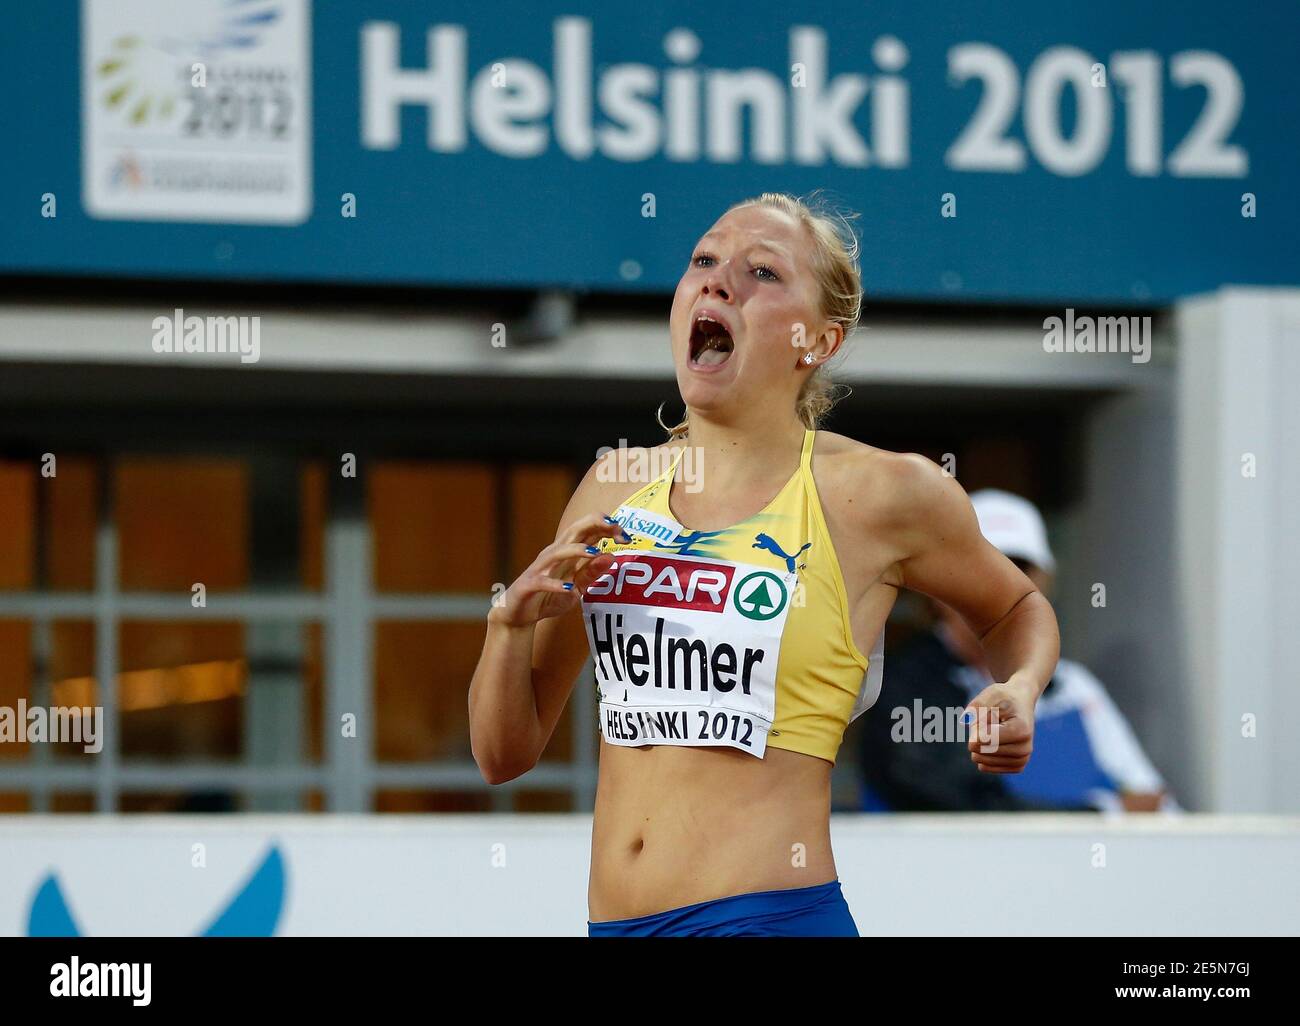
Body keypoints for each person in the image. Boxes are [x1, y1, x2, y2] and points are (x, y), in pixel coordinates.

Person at [468, 191, 1061, 937]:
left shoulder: (881, 494)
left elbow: (1017, 608)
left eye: (762, 272)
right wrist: (505, 627)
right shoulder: (615, 484)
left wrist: (1021, 686)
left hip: (766, 917)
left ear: (819, 340)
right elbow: (504, 755)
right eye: (704, 261)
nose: (718, 282)